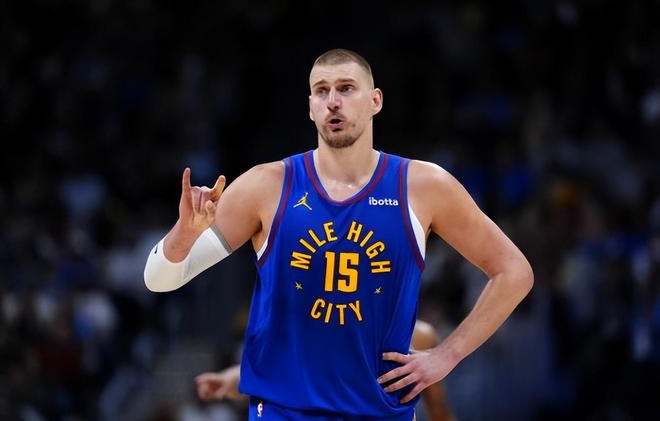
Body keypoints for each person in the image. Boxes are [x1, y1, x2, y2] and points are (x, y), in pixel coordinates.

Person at [144, 48, 533, 421]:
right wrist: (184, 232)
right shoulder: (266, 185)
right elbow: (159, 279)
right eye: (321, 91)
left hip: (380, 413)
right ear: (310, 106)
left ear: (375, 101)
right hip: (283, 413)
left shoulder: (424, 186)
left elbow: (514, 271)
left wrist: (448, 355)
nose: (333, 101)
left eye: (346, 88)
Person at [195, 320, 455, 421]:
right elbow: (274, 372)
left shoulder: (418, 336)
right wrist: (228, 380)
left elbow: (438, 409)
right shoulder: (319, 332)